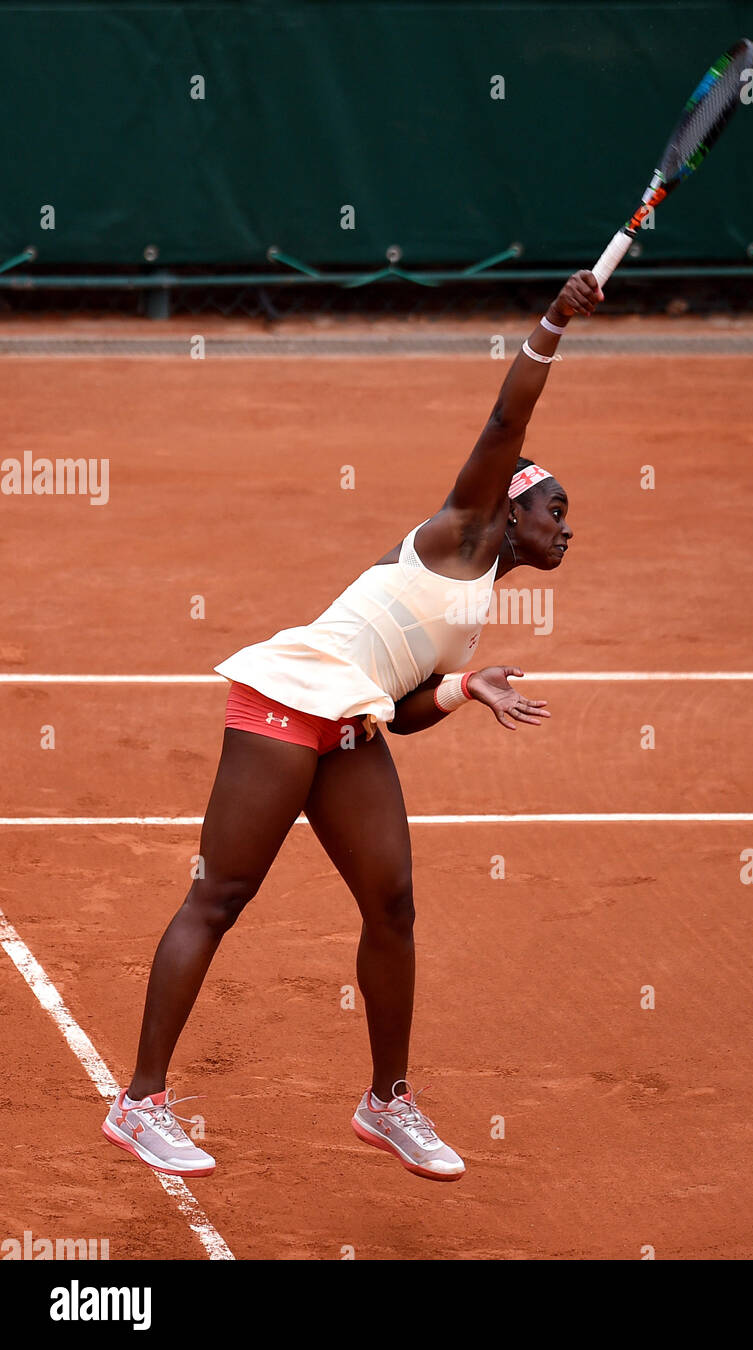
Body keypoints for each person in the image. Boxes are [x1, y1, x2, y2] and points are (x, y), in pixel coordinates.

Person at [102, 270, 603, 1182]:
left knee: (394, 905)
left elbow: (401, 714)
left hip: (351, 726)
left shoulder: (477, 597)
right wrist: (554, 322)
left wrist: (463, 690)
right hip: (285, 702)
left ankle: (388, 1103)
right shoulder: (460, 531)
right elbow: (505, 425)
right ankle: (140, 1103)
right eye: (555, 511)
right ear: (511, 508)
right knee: (222, 897)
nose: (566, 531)